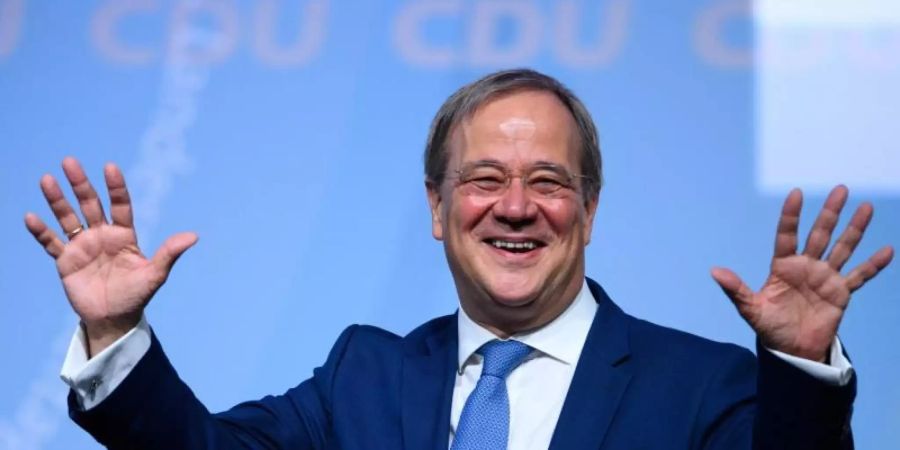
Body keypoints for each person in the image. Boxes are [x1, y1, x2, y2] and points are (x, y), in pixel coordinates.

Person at [25, 69, 893, 450]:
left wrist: (800, 365)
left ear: (589, 211)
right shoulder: (362, 376)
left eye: (548, 181)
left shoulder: (704, 385)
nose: (514, 206)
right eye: (483, 180)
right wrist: (114, 328)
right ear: (438, 211)